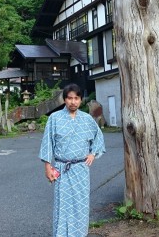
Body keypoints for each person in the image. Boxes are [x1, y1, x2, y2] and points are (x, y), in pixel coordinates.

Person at [39, 83, 105, 237]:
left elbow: (98, 137)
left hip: (81, 169)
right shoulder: (54, 119)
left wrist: (93, 153)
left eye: (76, 98)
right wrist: (47, 166)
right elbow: (47, 142)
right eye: (69, 98)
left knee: (80, 205)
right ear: (65, 99)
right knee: (62, 205)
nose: (73, 102)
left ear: (81, 100)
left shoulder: (87, 119)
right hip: (62, 168)